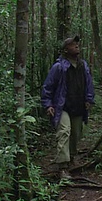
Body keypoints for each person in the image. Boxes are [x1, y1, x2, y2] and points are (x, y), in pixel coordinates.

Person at [41, 35, 95, 179]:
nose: (76, 46)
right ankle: (62, 167)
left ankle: (71, 158)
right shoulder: (59, 67)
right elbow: (48, 87)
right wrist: (48, 105)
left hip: (78, 105)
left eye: (77, 44)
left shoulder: (83, 65)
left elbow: (89, 83)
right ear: (66, 49)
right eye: (72, 44)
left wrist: (89, 99)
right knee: (65, 131)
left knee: (76, 134)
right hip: (62, 106)